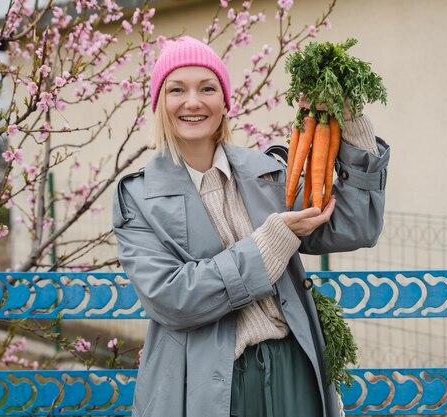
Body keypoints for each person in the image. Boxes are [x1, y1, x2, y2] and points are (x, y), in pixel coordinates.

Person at [113, 36, 390, 417]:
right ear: (161, 103)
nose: (193, 102)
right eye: (177, 89)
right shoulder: (138, 197)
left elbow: (356, 227)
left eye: (207, 88)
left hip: (296, 369)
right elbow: (172, 298)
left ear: (224, 102)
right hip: (205, 386)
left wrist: (350, 121)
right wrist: (270, 245)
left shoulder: (268, 173)